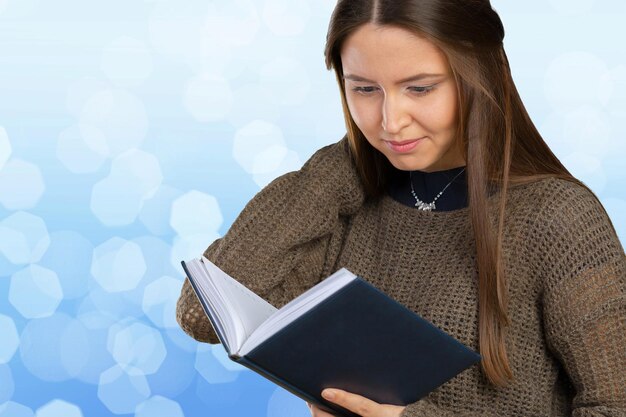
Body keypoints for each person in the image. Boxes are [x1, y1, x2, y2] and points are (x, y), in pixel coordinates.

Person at [176, 0, 626, 416]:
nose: (390, 121)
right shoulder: (343, 206)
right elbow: (202, 316)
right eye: (365, 89)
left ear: (480, 76)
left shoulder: (558, 217)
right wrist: (342, 164)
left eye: (420, 88)